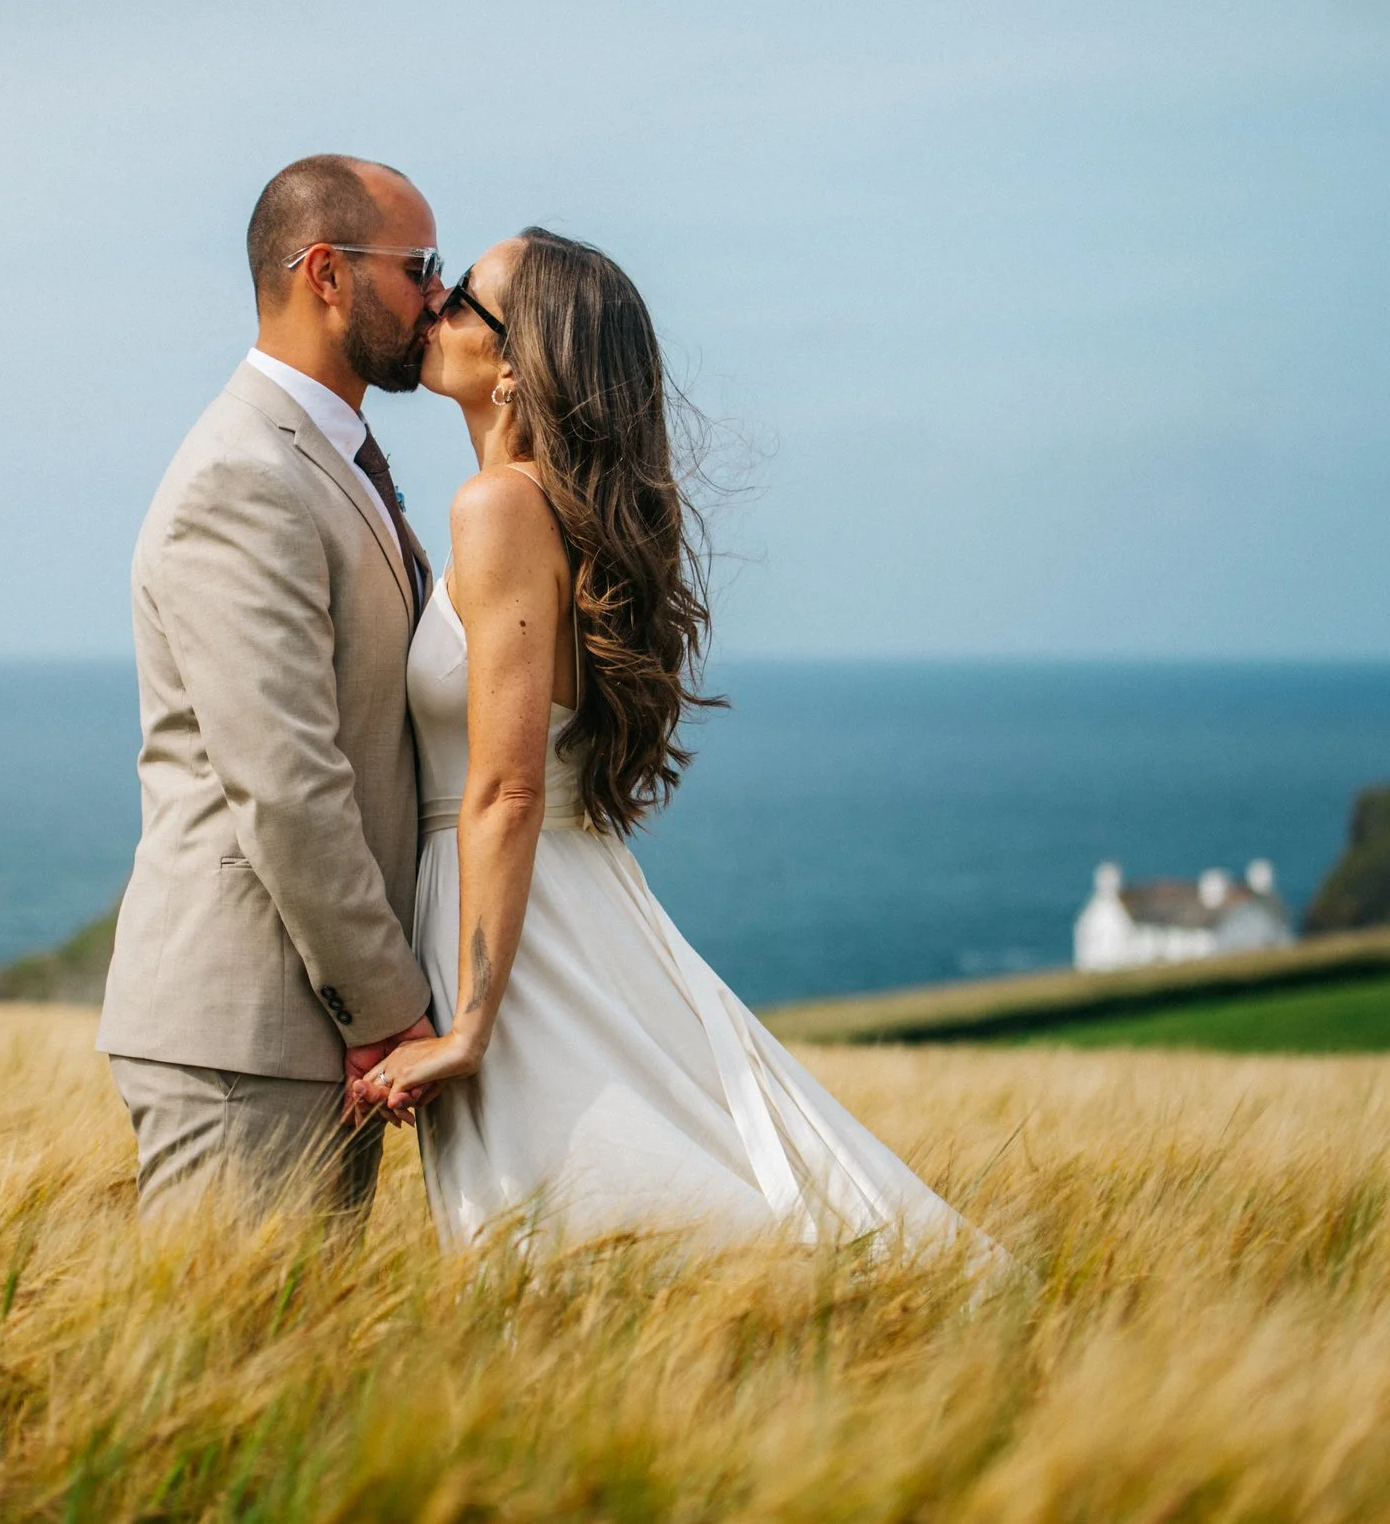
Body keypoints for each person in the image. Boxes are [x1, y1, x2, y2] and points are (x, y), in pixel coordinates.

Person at [359, 229, 995, 1259]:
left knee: (593, 1232)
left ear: (519, 360)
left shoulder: (500, 510)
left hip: (530, 937)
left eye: (460, 298)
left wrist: (471, 1024)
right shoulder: (539, 513)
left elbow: (506, 788)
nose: (432, 308)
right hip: (553, 902)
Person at [96, 154, 445, 1228]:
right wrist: (390, 1013)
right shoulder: (243, 475)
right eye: (421, 267)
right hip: (245, 1032)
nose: (440, 296)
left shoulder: (332, 458)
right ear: (328, 274)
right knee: (214, 1385)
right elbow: (285, 779)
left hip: (308, 1027)